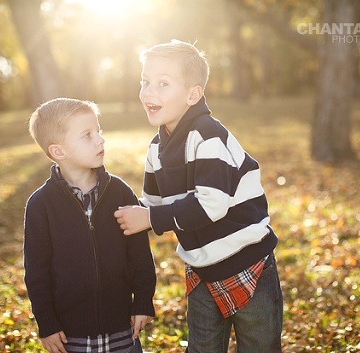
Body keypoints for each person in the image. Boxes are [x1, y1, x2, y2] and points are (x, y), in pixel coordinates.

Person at [114, 40, 283, 352]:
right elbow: (152, 203)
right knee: (202, 346)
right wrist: (124, 215)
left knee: (260, 345)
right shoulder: (156, 147)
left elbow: (211, 205)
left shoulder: (208, 136)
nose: (149, 91)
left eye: (163, 84)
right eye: (145, 81)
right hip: (202, 268)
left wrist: (150, 218)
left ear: (193, 94)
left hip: (249, 262)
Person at [24, 98, 157, 353]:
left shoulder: (119, 193)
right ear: (58, 151)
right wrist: (47, 323)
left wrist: (142, 301)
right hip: (70, 336)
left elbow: (140, 253)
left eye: (99, 131)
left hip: (122, 329)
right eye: (87, 135)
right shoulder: (41, 206)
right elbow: (36, 272)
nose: (100, 140)